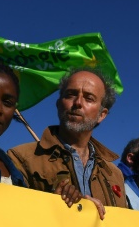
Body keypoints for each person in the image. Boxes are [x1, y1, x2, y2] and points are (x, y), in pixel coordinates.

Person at [8, 68, 127, 210]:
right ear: (58, 104)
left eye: (89, 98)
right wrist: (56, 204)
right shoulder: (21, 158)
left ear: (102, 114)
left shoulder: (115, 174)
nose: (78, 102)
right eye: (70, 95)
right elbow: (12, 214)